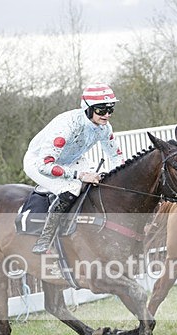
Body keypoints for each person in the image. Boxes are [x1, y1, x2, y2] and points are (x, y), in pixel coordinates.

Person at [24, 83, 125, 254]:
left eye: (111, 109)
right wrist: (81, 175)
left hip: (72, 160)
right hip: (39, 162)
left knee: (102, 181)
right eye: (101, 110)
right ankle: (45, 238)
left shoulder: (104, 128)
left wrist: (118, 179)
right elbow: (45, 165)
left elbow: (116, 156)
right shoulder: (67, 127)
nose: (107, 114)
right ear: (88, 108)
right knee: (71, 188)